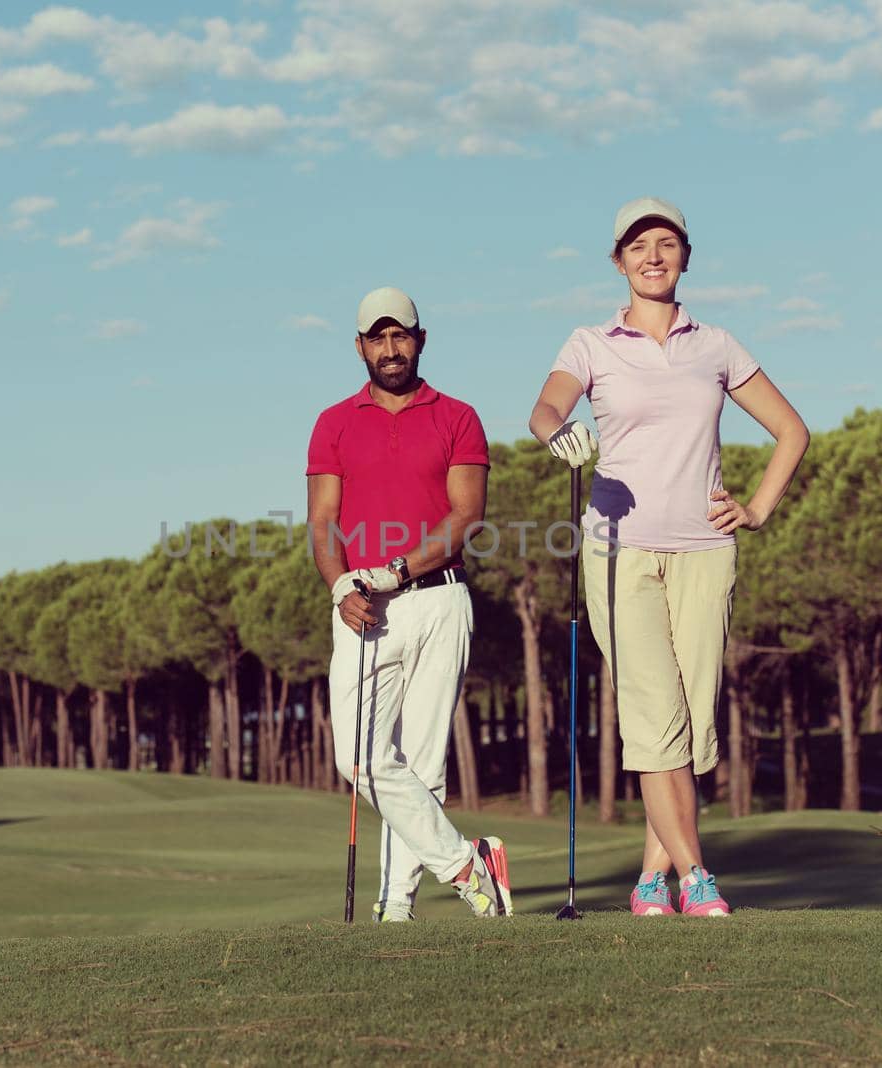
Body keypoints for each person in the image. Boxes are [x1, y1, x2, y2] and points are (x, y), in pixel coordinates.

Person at [529, 198, 809, 917]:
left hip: (706, 552)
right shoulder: (591, 343)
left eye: (666, 244)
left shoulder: (715, 345)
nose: (652, 256)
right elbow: (546, 409)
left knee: (690, 721)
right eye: (637, 246)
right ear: (617, 261)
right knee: (655, 716)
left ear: (685, 256)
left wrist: (756, 508)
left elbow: (791, 431)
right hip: (619, 554)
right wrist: (558, 432)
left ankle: (651, 880)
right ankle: (696, 874)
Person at [307, 285, 513, 921]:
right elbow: (322, 524)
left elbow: (466, 516)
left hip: (437, 600)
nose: (391, 348)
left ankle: (395, 907)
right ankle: (467, 864)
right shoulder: (334, 422)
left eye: (402, 336)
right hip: (363, 605)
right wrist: (342, 586)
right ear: (361, 346)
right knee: (361, 760)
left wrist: (395, 572)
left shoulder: (457, 416)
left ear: (420, 340)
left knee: (424, 760)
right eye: (378, 337)